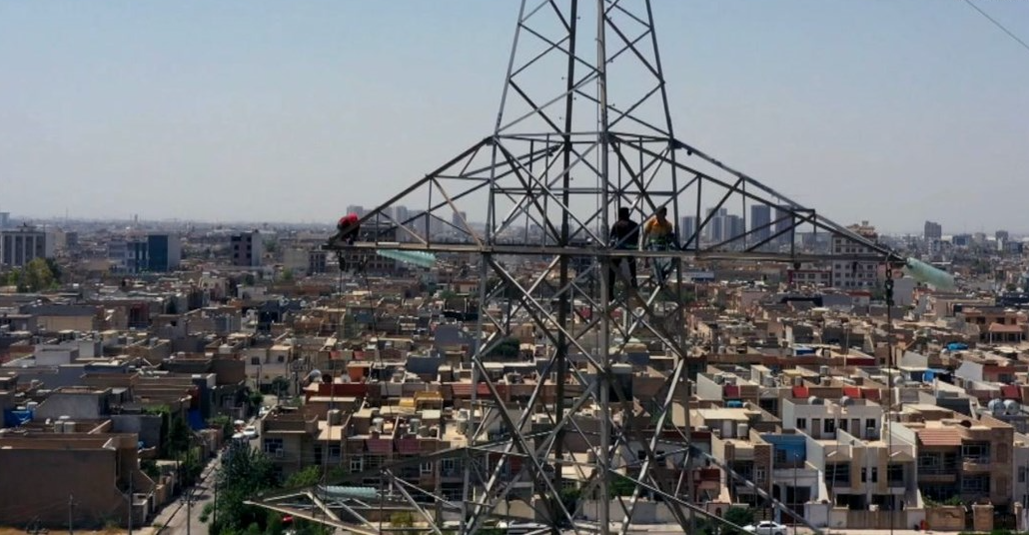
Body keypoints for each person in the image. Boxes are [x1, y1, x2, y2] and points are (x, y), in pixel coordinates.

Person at [639, 206, 675, 286]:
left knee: (667, 261)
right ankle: (659, 280)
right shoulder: (652, 223)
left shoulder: (668, 225)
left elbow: (669, 238)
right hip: (653, 246)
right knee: (656, 263)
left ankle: (663, 273)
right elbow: (645, 234)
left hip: (663, 246)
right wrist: (643, 246)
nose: (657, 215)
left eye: (659, 213)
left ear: (664, 214)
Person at [608, 207, 639, 298]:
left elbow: (612, 239)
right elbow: (636, 238)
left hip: (620, 249)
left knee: (613, 266)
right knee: (631, 261)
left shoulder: (617, 225)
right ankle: (633, 278)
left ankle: (610, 289)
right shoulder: (635, 225)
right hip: (631, 248)